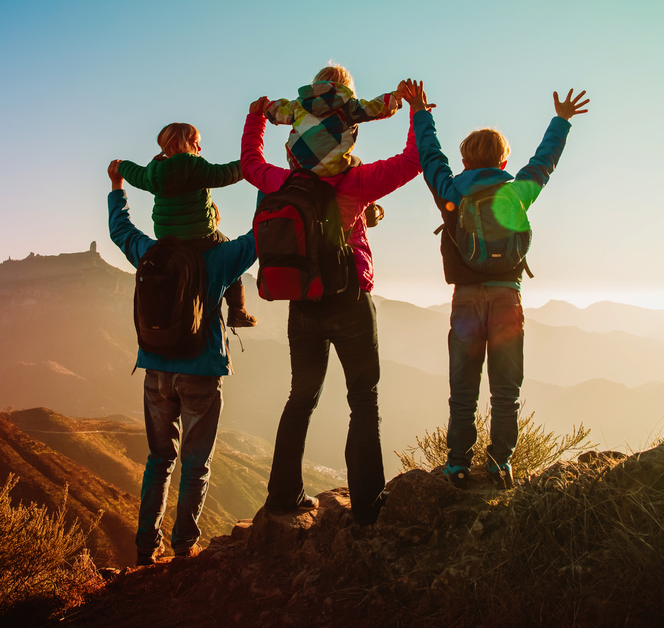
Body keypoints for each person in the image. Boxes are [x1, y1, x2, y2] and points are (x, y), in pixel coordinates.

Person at [242, 79, 419, 525]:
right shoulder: (355, 181)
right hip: (348, 300)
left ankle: (282, 497)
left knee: (300, 397)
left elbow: (250, 164)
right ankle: (367, 508)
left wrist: (256, 118)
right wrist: (418, 112)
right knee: (363, 399)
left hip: (303, 301)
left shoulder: (282, 180)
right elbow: (413, 161)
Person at [402, 81, 589, 490]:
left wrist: (420, 112)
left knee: (463, 392)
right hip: (507, 297)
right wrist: (561, 121)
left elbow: (431, 157)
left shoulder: (451, 192)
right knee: (506, 391)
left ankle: (457, 465)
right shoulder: (516, 192)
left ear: (465, 159)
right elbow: (544, 163)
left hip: (466, 301)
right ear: (504, 159)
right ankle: (500, 464)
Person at [106, 159, 257, 565]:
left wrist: (118, 187)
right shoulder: (219, 258)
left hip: (155, 371)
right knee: (195, 463)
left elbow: (120, 230)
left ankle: (145, 548)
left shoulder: (150, 254)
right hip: (201, 371)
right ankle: (184, 547)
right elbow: (258, 237)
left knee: (159, 461)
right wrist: (265, 182)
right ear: (204, 208)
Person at [116, 122, 257, 327]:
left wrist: (120, 166)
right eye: (195, 143)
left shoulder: (153, 173)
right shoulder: (196, 167)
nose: (199, 148)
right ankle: (238, 310)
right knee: (229, 251)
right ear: (178, 144)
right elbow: (227, 173)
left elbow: (134, 174)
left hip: (167, 239)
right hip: (202, 237)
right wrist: (251, 163)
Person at [265, 63, 402, 177]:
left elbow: (276, 111)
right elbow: (376, 107)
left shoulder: (298, 105)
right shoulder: (348, 105)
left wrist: (265, 105)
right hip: (333, 169)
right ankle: (362, 200)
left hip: (298, 166)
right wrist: (396, 96)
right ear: (346, 87)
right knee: (357, 164)